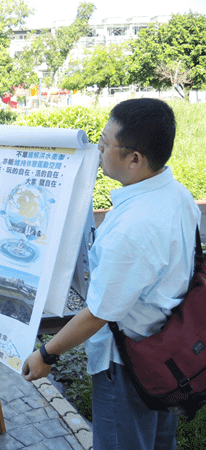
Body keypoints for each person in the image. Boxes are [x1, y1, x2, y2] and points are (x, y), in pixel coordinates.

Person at [22, 98, 201, 450]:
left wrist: (45, 355)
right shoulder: (177, 194)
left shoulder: (133, 229)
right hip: (167, 348)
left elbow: (99, 314)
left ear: (135, 159)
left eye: (105, 143)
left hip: (128, 366)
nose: (99, 149)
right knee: (159, 440)